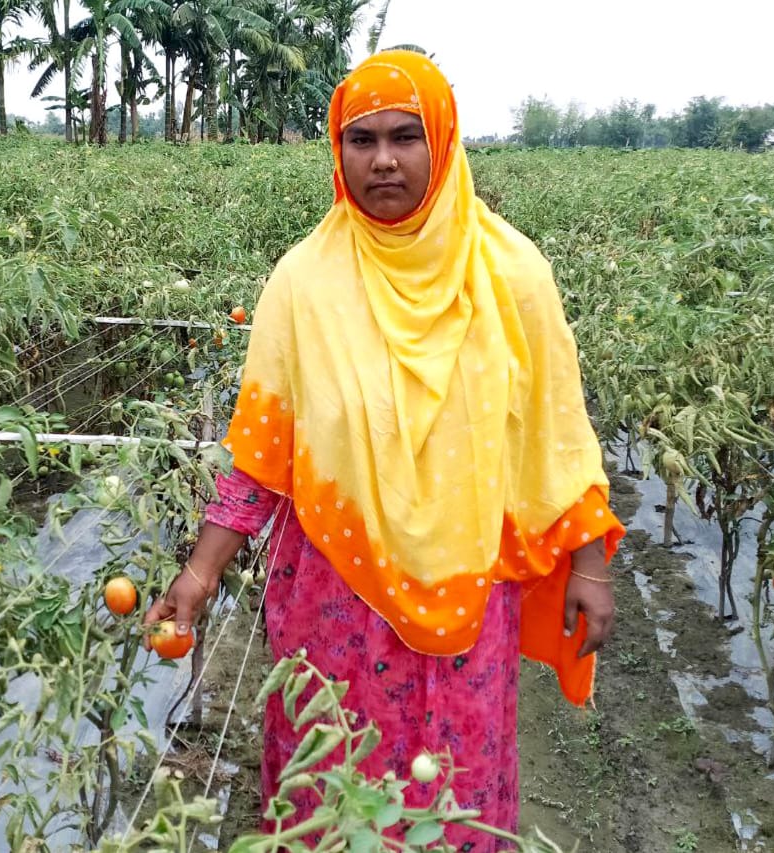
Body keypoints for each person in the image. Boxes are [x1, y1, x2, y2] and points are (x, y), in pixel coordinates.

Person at [144, 50, 626, 851]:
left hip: (469, 598)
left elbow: (556, 432)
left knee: (454, 788)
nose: (384, 160)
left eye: (406, 137)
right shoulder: (305, 281)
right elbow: (263, 455)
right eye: (360, 140)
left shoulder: (512, 276)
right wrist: (197, 576)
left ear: (443, 141)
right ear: (338, 152)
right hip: (335, 598)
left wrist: (591, 566)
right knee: (330, 781)